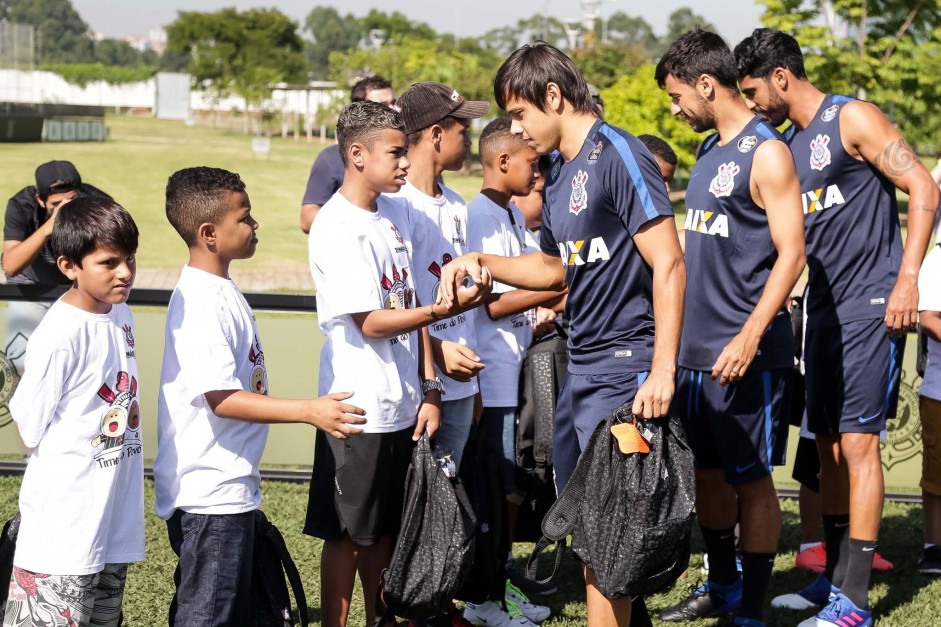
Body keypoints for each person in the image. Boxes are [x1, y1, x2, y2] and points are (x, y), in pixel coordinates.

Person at [437, 41, 686, 627]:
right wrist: (483, 261)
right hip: (582, 366)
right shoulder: (560, 172)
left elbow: (670, 263)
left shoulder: (621, 154)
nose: (517, 131)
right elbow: (553, 269)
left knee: (610, 544)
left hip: (625, 371)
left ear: (553, 96)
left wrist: (663, 369)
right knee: (595, 542)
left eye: (521, 114)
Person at [735, 28, 940, 627]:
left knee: (858, 444)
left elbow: (924, 186)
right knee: (823, 449)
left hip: (872, 303)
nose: (751, 104)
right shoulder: (787, 146)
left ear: (781, 77)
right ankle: (831, 581)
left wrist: (909, 280)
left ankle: (854, 602)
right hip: (819, 312)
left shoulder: (852, 118)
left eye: (753, 91)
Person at [152, 166, 369, 627]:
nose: (255, 226)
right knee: (207, 615)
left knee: (234, 611)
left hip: (229, 488)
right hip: (210, 494)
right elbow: (223, 398)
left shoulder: (220, 288)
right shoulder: (201, 302)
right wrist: (309, 411)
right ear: (209, 233)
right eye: (245, 218)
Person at [303, 100, 489, 627]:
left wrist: (430, 389)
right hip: (355, 406)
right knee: (346, 535)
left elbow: (411, 301)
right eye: (395, 153)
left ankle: (381, 620)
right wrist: (439, 308)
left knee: (386, 530)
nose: (406, 163)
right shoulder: (338, 226)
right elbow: (372, 322)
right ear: (356, 155)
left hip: (402, 403)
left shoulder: (394, 213)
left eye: (407, 151)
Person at [653, 31, 806, 627]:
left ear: (705, 85)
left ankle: (752, 608)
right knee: (708, 476)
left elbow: (791, 255)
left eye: (676, 96)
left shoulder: (768, 152)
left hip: (748, 352)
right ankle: (720, 585)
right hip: (694, 351)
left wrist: (748, 335)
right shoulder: (709, 151)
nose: (674, 109)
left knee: (752, 480)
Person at [2, 196, 143, 627]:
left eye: (131, 259)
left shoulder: (122, 313)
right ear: (68, 266)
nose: (125, 272)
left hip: (111, 524)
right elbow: (29, 425)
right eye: (109, 262)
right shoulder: (59, 334)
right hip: (62, 532)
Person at [464, 116, 568, 622]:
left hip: (514, 371)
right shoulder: (479, 217)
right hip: (492, 378)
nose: (539, 174)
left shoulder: (508, 215)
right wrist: (557, 291)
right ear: (502, 162)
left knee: (508, 489)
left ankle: (500, 584)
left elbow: (536, 279)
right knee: (494, 488)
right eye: (531, 164)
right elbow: (493, 305)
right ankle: (487, 594)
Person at [393, 81, 489, 474]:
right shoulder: (396, 206)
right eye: (462, 130)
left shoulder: (456, 204)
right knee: (413, 500)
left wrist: (474, 387)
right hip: (419, 380)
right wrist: (433, 351)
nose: (469, 140)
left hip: (462, 382)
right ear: (435, 134)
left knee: (447, 499)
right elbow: (394, 303)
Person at [299, 75, 396, 233]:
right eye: (382, 105)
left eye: (393, 102)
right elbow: (307, 218)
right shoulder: (330, 158)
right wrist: (361, 221)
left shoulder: (410, 157)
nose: (392, 109)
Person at [917, 243, 941, 575]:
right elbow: (928, 319)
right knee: (937, 474)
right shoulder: (937, 259)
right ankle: (934, 547)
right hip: (939, 391)